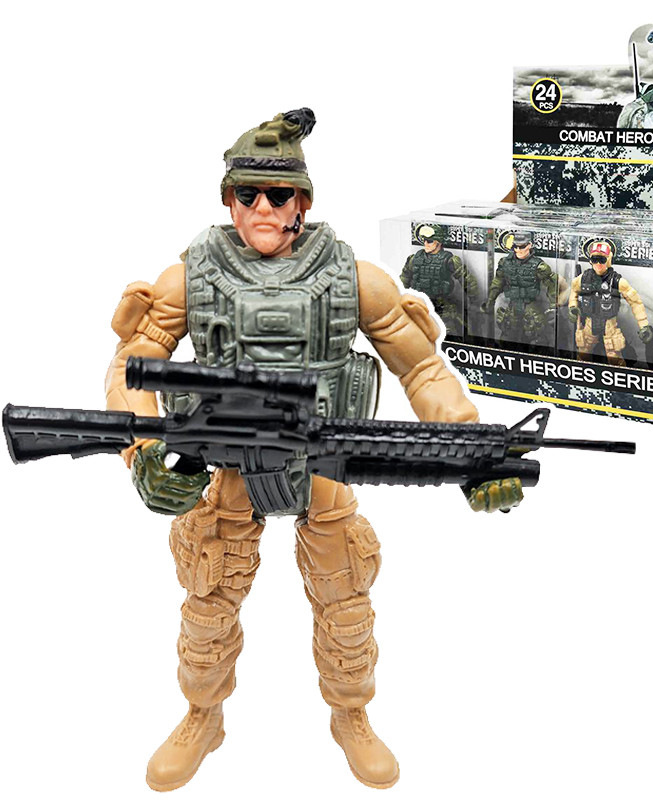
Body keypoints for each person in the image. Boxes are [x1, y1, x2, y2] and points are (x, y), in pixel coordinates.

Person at [104, 108, 521, 792]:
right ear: (229, 201)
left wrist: (474, 452)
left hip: (321, 462)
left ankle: (351, 716)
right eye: (248, 194)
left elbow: (422, 369)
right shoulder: (190, 276)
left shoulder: (351, 277)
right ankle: (202, 716)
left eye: (280, 194)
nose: (263, 208)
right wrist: (144, 451)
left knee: (345, 604)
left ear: (303, 202)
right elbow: (132, 363)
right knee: (207, 608)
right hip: (227, 465)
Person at [568, 240, 653, 366]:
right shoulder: (583, 278)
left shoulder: (617, 281)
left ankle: (618, 375)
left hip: (609, 324)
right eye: (595, 259)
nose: (598, 264)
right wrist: (572, 307)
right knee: (583, 351)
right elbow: (574, 291)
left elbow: (635, 302)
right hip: (589, 322)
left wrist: (644, 325)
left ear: (608, 260)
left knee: (613, 354)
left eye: (602, 260)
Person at [481, 231, 560, 345]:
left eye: (522, 246)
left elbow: (552, 284)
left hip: (530, 306)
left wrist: (553, 307)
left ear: (529, 245)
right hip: (512, 305)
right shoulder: (505, 263)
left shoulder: (539, 266)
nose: (518, 250)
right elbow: (497, 283)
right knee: (507, 337)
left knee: (537, 338)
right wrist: (490, 301)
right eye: (515, 247)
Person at [401, 223, 478, 333]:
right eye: (424, 240)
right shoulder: (414, 259)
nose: (425, 244)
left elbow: (467, 280)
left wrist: (474, 300)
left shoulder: (449, 260)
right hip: (419, 305)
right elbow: (404, 278)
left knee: (448, 332)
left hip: (441, 306)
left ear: (439, 242)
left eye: (429, 241)